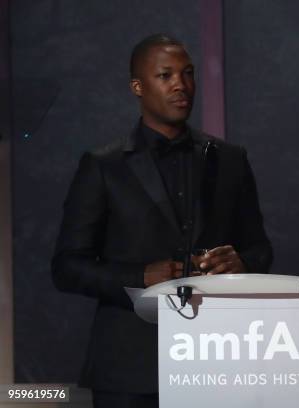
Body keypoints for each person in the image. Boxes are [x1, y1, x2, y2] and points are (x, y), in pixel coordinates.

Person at [52, 34, 273, 407]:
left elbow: (260, 248)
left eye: (187, 74)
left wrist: (243, 262)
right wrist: (139, 277)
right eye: (165, 75)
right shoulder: (104, 166)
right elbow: (67, 267)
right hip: (128, 368)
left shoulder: (230, 159)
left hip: (215, 358)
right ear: (137, 86)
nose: (180, 85)